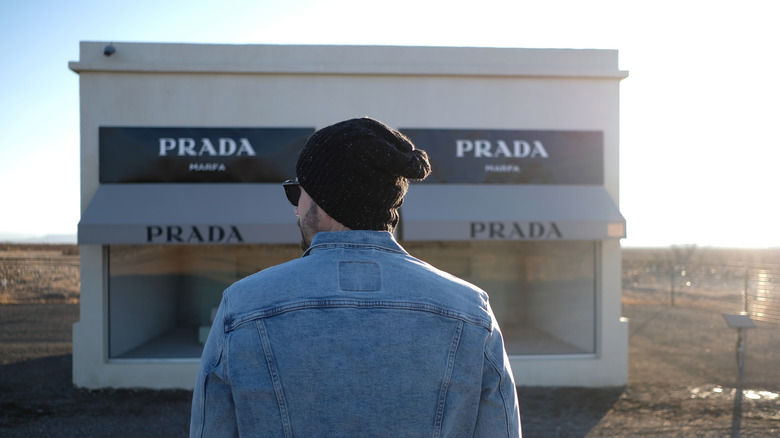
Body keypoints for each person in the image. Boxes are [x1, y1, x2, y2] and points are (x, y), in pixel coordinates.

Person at [190, 117, 521, 437]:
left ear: (327, 199)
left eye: (297, 193)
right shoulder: (471, 310)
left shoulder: (243, 306)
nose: (295, 209)